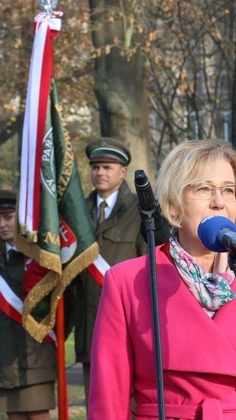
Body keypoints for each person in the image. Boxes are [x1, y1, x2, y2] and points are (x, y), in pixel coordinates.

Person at [88, 139, 236, 418]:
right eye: (204, 189)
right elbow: (109, 401)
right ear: (174, 204)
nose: (219, 202)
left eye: (228, 190)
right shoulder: (127, 282)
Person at [75, 137, 146, 402]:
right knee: (97, 402)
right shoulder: (78, 212)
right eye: (95, 167)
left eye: (107, 167)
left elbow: (150, 269)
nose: (100, 172)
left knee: (129, 405)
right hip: (90, 325)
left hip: (128, 326)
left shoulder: (140, 211)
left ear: (123, 172)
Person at [0, 189, 56, 420]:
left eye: (8, 218)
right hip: (3, 354)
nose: (2, 224)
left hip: (35, 353)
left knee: (38, 413)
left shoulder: (40, 258)